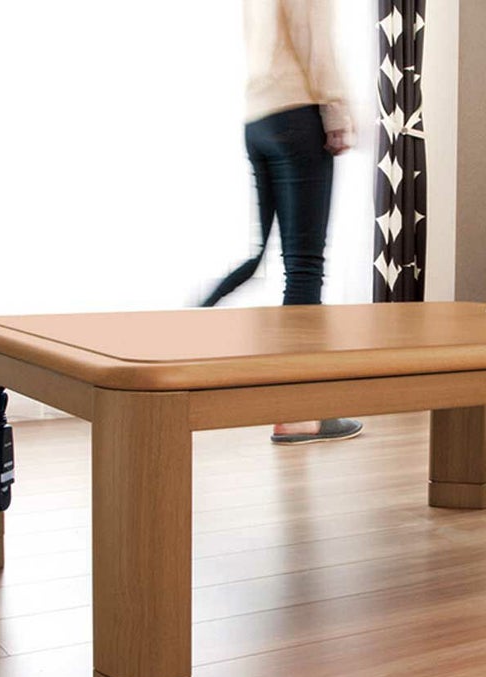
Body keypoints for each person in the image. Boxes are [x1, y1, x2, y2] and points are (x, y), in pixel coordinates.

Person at [201, 0, 362, 445]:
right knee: (304, 267)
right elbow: (316, 43)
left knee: (261, 258)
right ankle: (298, 414)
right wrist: (336, 112)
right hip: (296, 114)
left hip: (258, 119)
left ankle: (180, 340)